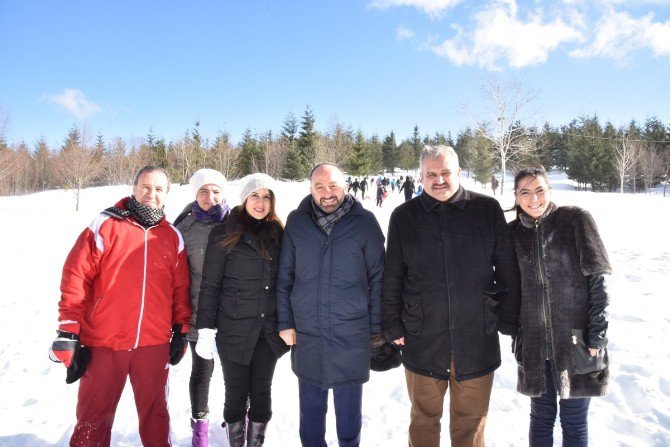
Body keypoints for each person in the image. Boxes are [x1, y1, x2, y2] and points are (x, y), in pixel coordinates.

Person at [382, 145, 521, 447]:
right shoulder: (404, 216)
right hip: (422, 337)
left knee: (470, 425)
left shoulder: (486, 210)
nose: (439, 180)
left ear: (459, 172)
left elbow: (508, 268)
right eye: (431, 174)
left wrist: (507, 319)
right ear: (420, 177)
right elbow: (392, 274)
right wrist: (391, 324)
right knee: (423, 420)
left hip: (476, 337)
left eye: (445, 172)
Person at [50, 166, 191, 447]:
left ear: (167, 195)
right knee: (94, 416)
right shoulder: (105, 224)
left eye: (159, 189)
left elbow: (180, 289)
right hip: (104, 340)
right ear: (134, 188)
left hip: (153, 343)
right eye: (146, 187)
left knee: (155, 414)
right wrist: (68, 330)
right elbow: (76, 276)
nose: (152, 193)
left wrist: (181, 329)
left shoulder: (172, 236)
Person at [276, 163, 385, 447]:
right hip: (308, 332)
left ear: (346, 186)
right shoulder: (297, 222)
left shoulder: (365, 223)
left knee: (349, 414)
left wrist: (375, 328)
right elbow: (284, 276)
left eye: (333, 185)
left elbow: (378, 278)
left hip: (351, 332)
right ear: (310, 189)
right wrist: (285, 322)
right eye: (320, 187)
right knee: (311, 411)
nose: (327, 193)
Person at [509, 167, 611, 447]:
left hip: (577, 342)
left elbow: (598, 281)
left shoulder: (575, 220)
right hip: (534, 344)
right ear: (516, 197)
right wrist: (516, 335)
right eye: (525, 193)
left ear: (549, 191)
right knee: (540, 419)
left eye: (539, 190)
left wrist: (597, 335)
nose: (534, 199)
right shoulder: (513, 234)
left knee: (574, 421)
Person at [195, 173, 290, 447]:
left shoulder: (279, 234)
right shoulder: (223, 233)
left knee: (261, 392)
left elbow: (287, 282)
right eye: (255, 196)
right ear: (244, 198)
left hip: (267, 331)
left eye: (266, 197)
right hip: (233, 329)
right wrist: (205, 329)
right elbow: (210, 285)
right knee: (235, 394)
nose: (260, 203)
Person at [174, 168, 231, 447]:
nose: (211, 197)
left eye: (216, 190)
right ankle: (200, 433)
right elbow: (175, 278)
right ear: (195, 194)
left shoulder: (239, 221)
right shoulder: (183, 228)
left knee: (238, 374)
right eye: (204, 191)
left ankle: (238, 424)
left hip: (234, 315)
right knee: (201, 372)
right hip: (199, 317)